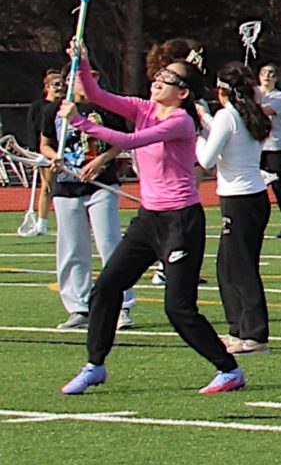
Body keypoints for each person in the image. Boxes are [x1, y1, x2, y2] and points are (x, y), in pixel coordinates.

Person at [58, 39, 239, 395]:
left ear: (183, 92)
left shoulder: (180, 123)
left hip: (180, 222)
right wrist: (82, 60)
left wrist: (79, 122)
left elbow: (129, 141)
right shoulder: (143, 107)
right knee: (106, 288)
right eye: (158, 75)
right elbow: (97, 93)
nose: (157, 80)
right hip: (148, 220)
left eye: (167, 78)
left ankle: (228, 369)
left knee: (178, 307)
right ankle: (94, 364)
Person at [38, 65, 133, 334]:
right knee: (72, 248)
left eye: (88, 78)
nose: (82, 83)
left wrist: (101, 161)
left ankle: (121, 305)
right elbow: (45, 142)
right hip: (67, 188)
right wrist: (53, 157)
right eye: (77, 79)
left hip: (101, 184)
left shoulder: (106, 108)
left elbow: (121, 140)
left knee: (109, 243)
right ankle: (78, 307)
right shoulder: (53, 110)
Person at [200, 64, 274, 355]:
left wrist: (192, 137)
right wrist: (204, 119)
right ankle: (238, 329)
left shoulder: (227, 115)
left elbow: (206, 159)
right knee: (226, 267)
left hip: (240, 199)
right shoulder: (243, 114)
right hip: (250, 197)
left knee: (241, 269)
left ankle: (255, 335)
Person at [254, 64, 281, 237]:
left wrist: (249, 103)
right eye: (263, 73)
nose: (267, 76)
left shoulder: (279, 96)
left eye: (271, 74)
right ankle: (257, 223)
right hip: (255, 146)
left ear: (276, 78)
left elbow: (267, 111)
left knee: (277, 185)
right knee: (256, 187)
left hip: (274, 146)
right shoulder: (254, 92)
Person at [19, 72, 53, 237]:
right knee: (47, 187)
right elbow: (33, 130)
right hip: (45, 152)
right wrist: (33, 153)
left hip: (68, 152)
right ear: (47, 87)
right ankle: (42, 223)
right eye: (56, 84)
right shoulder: (38, 107)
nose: (60, 88)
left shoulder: (66, 105)